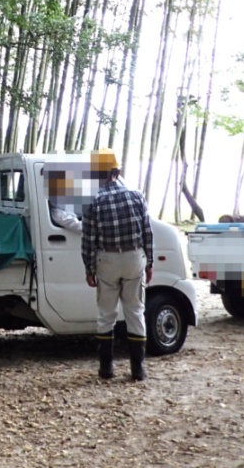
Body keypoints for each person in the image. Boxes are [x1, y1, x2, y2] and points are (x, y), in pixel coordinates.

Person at [81, 150, 153, 382]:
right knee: (135, 311)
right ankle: (138, 370)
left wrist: (89, 269)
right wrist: (149, 262)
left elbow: (88, 240)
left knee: (106, 315)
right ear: (117, 172)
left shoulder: (93, 201)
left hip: (107, 261)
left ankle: (106, 370)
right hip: (134, 258)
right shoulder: (136, 195)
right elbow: (147, 233)